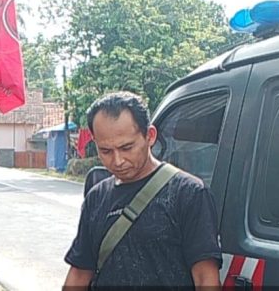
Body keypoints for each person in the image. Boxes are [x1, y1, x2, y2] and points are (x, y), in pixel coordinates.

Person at [63, 92, 221, 289]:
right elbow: (79, 273)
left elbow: (205, 278)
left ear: (150, 136)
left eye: (127, 148)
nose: (118, 161)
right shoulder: (96, 197)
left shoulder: (189, 193)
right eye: (106, 151)